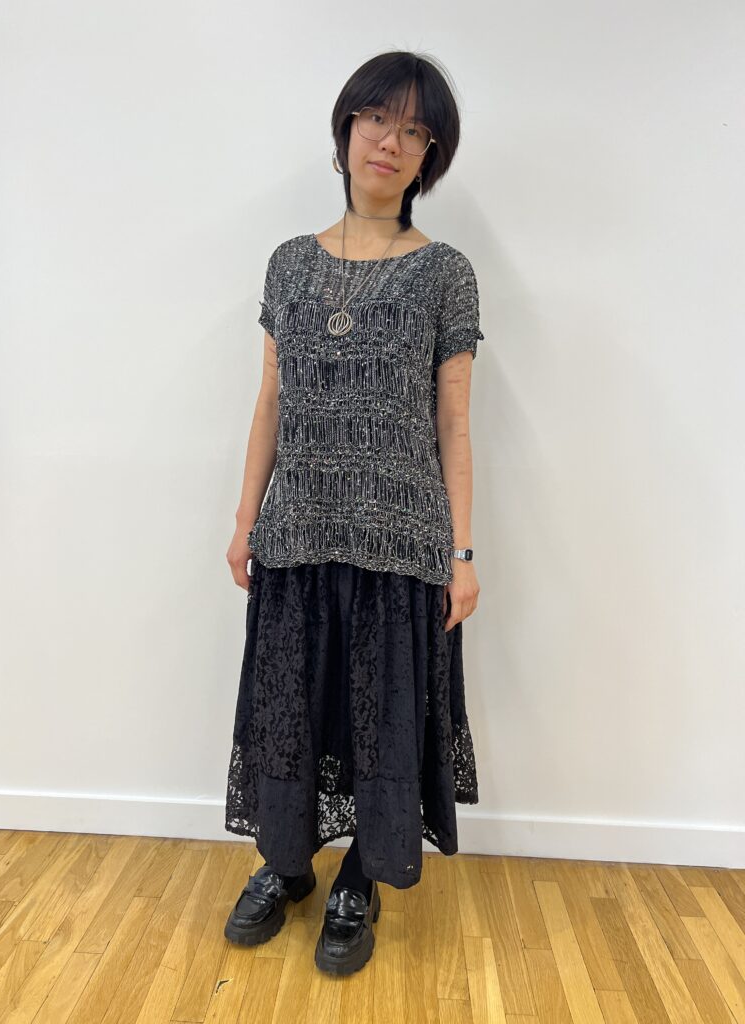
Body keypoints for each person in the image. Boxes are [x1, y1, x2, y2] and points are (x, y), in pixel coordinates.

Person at [222, 50, 483, 976]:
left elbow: (452, 418)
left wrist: (460, 549)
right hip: (296, 531)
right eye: (379, 118)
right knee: (287, 709)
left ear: (428, 159)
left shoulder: (445, 273)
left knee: (380, 720)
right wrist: (246, 517)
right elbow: (270, 400)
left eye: (417, 131)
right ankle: (284, 866)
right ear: (345, 130)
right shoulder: (289, 262)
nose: (392, 141)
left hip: (401, 540)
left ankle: (360, 881)